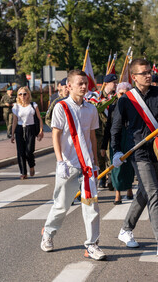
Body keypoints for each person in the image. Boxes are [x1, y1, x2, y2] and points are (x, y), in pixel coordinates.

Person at [111, 58, 158, 257]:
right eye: (143, 73)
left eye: (150, 71)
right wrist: (116, 151)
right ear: (134, 77)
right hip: (138, 152)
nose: (149, 75)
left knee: (143, 192)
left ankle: (126, 229)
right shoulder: (126, 100)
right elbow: (116, 127)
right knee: (152, 193)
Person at [41, 69, 106, 261]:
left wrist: (94, 162)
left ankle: (92, 244)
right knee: (61, 205)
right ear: (69, 86)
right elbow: (56, 134)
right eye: (80, 83)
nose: (84, 87)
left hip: (86, 166)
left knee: (91, 206)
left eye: (86, 83)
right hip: (68, 164)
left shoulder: (91, 109)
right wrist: (60, 161)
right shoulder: (61, 107)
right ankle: (48, 234)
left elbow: (92, 136)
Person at [101, 82, 134, 204]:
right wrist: (103, 146)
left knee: (129, 166)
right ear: (117, 94)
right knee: (116, 167)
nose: (123, 96)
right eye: (121, 93)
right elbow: (108, 127)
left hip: (129, 139)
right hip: (116, 139)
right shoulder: (113, 108)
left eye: (126, 93)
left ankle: (129, 189)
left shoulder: (134, 107)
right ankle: (117, 194)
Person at [89, 73, 118, 189]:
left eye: (116, 83)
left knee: (110, 155)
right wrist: (108, 100)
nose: (116, 85)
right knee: (99, 156)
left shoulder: (116, 96)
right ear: (106, 83)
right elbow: (96, 107)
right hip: (99, 132)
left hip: (111, 131)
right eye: (114, 83)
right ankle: (101, 178)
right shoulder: (95, 96)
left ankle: (111, 178)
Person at [11, 87, 44, 180]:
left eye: (24, 94)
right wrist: (12, 134)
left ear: (28, 94)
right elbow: (14, 121)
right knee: (20, 152)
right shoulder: (16, 106)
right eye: (20, 94)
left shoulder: (33, 105)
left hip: (31, 128)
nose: (22, 96)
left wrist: (41, 131)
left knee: (29, 151)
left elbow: (39, 119)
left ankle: (31, 165)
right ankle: (23, 172)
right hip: (20, 129)